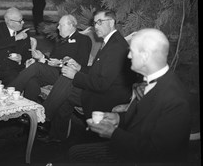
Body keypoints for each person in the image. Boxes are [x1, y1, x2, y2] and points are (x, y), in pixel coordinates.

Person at [69, 28, 191, 163]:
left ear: (145, 56)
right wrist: (118, 118)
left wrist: (113, 133)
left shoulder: (175, 100)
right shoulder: (149, 81)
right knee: (75, 152)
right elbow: (142, 119)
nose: (128, 56)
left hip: (140, 158)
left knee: (77, 156)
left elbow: (159, 154)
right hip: (131, 146)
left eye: (131, 52)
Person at [40, 10, 137, 143]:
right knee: (66, 87)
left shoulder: (116, 46)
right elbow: (98, 70)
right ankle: (56, 134)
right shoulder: (110, 42)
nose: (96, 26)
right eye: (94, 22)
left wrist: (76, 75)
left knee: (68, 81)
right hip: (102, 87)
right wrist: (79, 67)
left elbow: (102, 84)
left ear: (111, 22)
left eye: (99, 22)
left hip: (107, 95)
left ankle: (43, 117)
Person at [9, 14, 92, 103]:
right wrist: (42, 57)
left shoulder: (83, 39)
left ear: (71, 25)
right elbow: (52, 60)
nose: (58, 28)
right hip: (54, 73)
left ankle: (8, 92)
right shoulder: (59, 41)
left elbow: (81, 63)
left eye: (61, 25)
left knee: (36, 67)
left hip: (66, 76)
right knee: (31, 81)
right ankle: (29, 110)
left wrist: (60, 63)